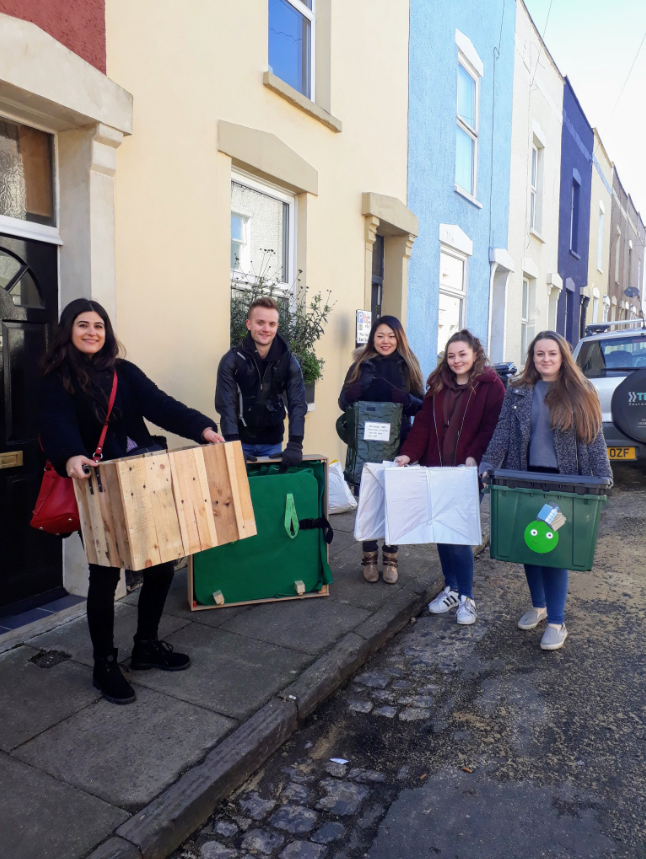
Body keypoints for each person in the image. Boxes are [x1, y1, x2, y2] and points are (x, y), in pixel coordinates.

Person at [39, 299, 225, 705]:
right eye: (83, 325)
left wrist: (202, 428)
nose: (92, 332)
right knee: (105, 578)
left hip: (144, 480)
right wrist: (72, 455)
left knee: (160, 565)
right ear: (68, 330)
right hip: (97, 485)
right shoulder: (57, 380)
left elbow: (162, 406)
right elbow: (56, 424)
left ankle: (146, 646)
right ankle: (104, 664)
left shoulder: (124, 373)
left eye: (99, 325)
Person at [480, 330, 612, 651]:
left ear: (563, 356)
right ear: (532, 357)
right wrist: (486, 465)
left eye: (552, 353)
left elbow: (593, 437)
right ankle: (538, 606)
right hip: (524, 481)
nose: (545, 359)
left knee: (553, 551)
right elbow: (501, 432)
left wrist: (603, 474)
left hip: (563, 484)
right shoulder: (518, 390)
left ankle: (556, 621)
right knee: (530, 546)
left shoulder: (581, 390)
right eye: (539, 354)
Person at [395, 330, 505, 623]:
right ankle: (452, 588)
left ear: (475, 354)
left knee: (458, 535)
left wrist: (474, 458)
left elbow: (491, 429)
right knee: (442, 533)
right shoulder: (437, 384)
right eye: (451, 355)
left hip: (466, 472)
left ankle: (467, 597)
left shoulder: (491, 387)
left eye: (462, 355)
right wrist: (408, 454)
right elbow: (422, 427)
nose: (456, 361)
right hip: (437, 469)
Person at [339, 315, 424, 584]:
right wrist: (351, 394)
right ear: (372, 338)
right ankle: (368, 559)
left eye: (391, 336)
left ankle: (391, 559)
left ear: (399, 338)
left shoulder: (408, 366)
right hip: (365, 448)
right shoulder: (360, 366)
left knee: (393, 504)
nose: (385, 341)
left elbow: (422, 407)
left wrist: (406, 399)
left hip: (398, 446)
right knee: (368, 503)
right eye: (380, 335)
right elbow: (343, 403)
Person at [215, 296, 307, 470]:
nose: (266, 329)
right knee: (239, 495)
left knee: (269, 494)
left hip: (272, 444)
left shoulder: (288, 362)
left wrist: (295, 443)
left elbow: (297, 403)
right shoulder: (231, 361)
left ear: (277, 327)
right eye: (260, 323)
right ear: (249, 324)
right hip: (239, 443)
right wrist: (233, 445)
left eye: (271, 324)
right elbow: (226, 405)